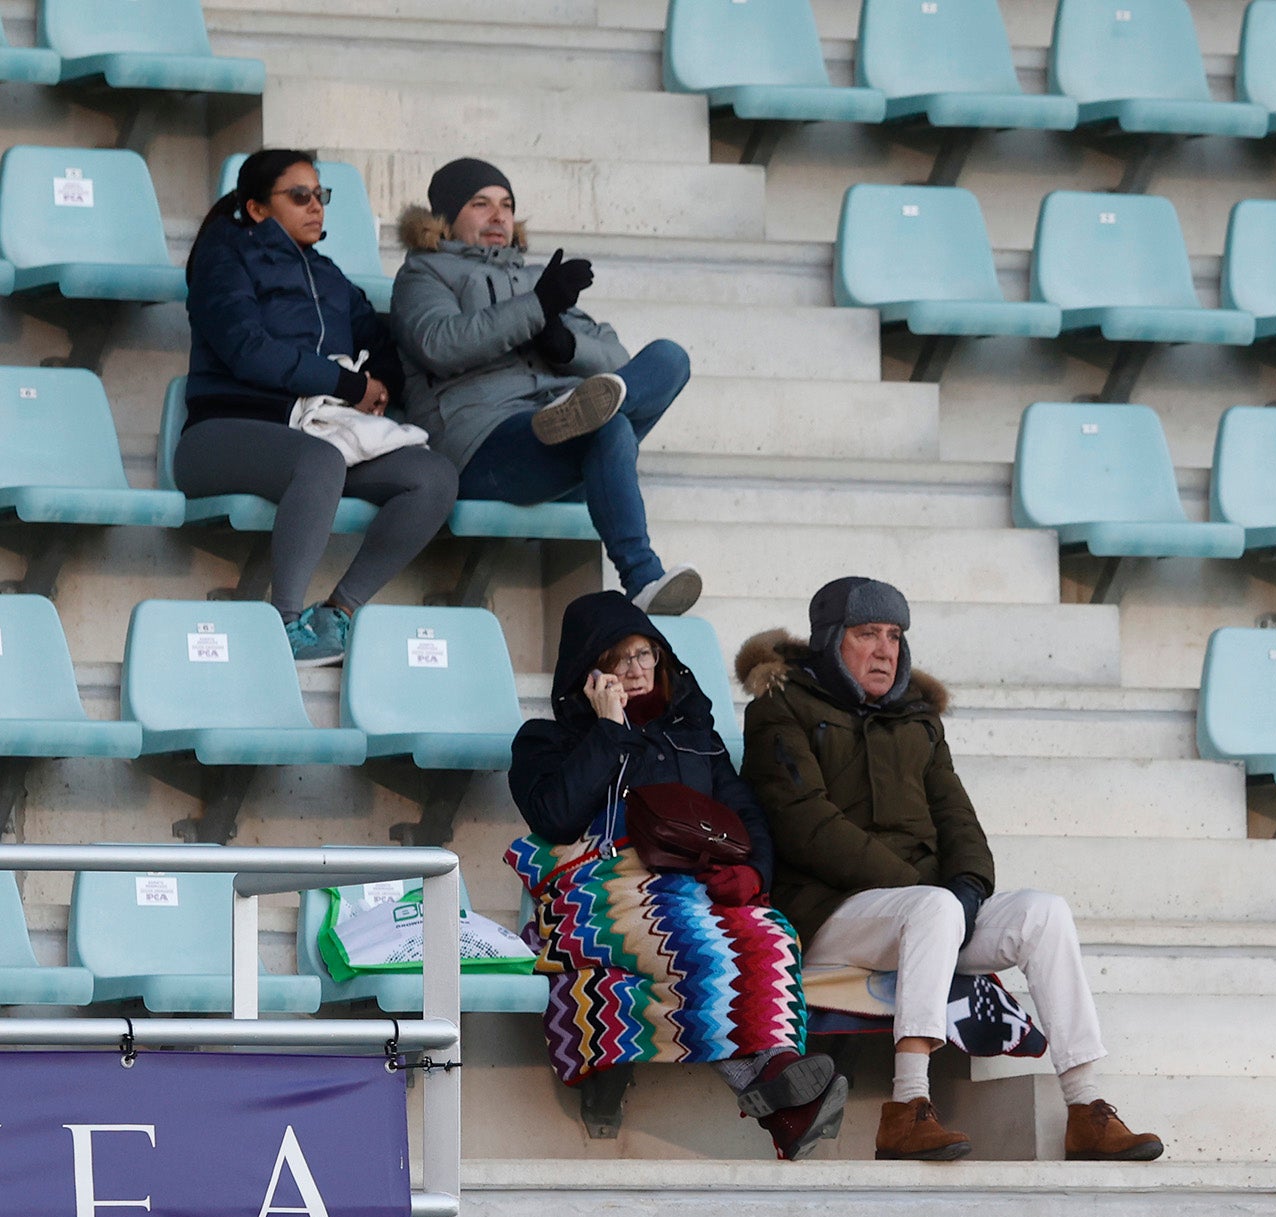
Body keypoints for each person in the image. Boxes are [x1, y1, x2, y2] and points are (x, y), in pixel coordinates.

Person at [737, 577, 1165, 1163]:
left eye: (895, 635)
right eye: (868, 634)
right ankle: (908, 1106)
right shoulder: (780, 707)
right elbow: (806, 826)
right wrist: (927, 893)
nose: (886, 650)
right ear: (832, 640)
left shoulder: (917, 716)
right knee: (933, 907)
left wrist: (968, 888)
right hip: (829, 911)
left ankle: (1086, 1107)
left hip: (924, 915)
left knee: (1044, 913)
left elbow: (957, 817)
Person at [506, 591, 847, 1159]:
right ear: (588, 674)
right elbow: (555, 814)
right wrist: (609, 729)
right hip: (597, 893)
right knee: (701, 948)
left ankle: (783, 1088)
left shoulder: (692, 732)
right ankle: (778, 1086)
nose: (638, 670)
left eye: (646, 655)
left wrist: (754, 873)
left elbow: (747, 813)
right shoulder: (546, 741)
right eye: (620, 660)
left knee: (772, 934)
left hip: (691, 883)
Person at [179, 149, 460, 664]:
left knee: (433, 477)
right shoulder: (224, 258)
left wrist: (378, 384)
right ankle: (283, 622)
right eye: (300, 196)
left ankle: (338, 613)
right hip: (222, 435)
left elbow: (384, 347)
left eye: (321, 196)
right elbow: (248, 350)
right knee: (318, 461)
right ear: (259, 208)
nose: (316, 207)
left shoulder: (328, 276)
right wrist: (349, 384)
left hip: (318, 431)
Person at [390, 157, 700, 616]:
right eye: (481, 204)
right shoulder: (423, 274)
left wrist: (565, 345)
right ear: (445, 219)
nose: (499, 217)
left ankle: (581, 416)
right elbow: (441, 344)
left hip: (553, 435)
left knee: (670, 358)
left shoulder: (536, 276)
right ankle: (643, 578)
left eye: (507, 205)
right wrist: (536, 309)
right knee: (610, 430)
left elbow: (616, 357)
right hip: (483, 445)